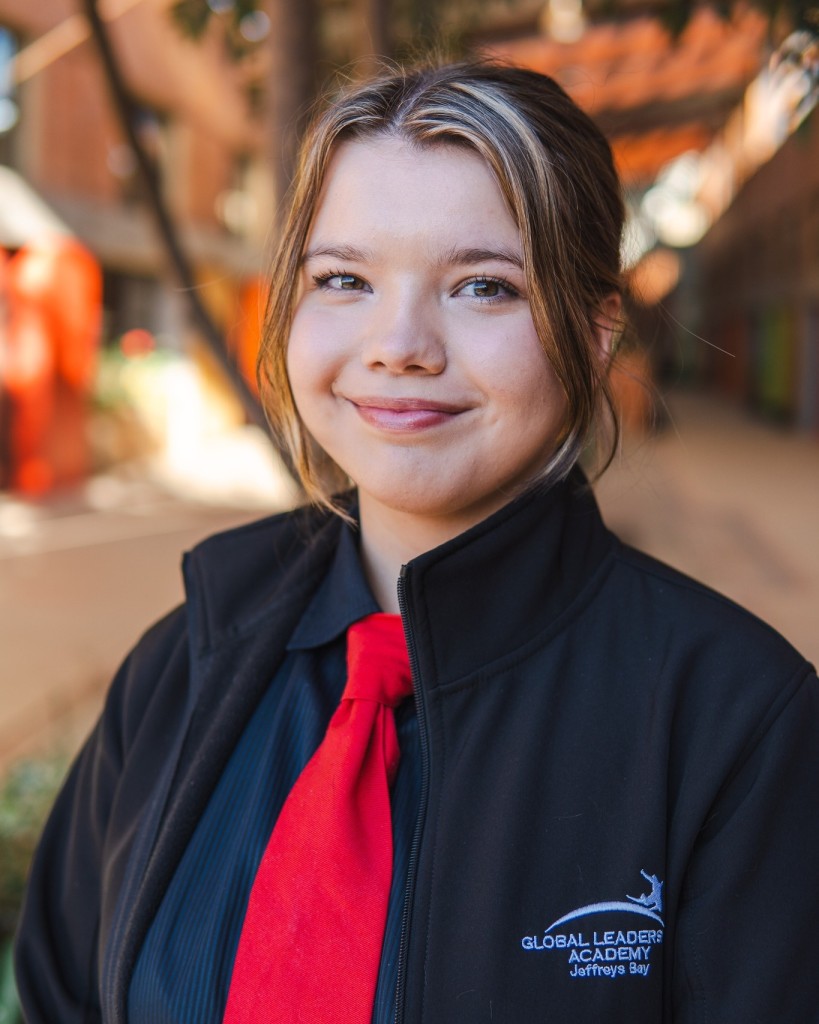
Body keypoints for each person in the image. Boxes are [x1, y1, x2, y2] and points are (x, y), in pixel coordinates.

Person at [14, 59, 819, 1023]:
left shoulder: (739, 723)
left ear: (596, 333)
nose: (398, 344)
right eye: (343, 278)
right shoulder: (179, 669)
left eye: (483, 287)